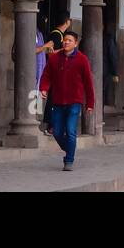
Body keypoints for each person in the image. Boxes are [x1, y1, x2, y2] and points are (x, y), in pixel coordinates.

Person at [39, 30, 95, 170]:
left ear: (75, 43)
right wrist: (44, 88)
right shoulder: (54, 58)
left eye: (69, 40)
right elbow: (46, 75)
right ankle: (70, 148)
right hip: (58, 101)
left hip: (74, 102)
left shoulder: (82, 59)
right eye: (65, 40)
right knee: (56, 132)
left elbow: (88, 82)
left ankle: (69, 160)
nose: (66, 42)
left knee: (70, 131)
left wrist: (90, 102)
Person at [102, 27, 119, 108]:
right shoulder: (109, 39)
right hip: (104, 70)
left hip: (89, 69)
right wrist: (115, 73)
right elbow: (113, 56)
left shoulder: (85, 37)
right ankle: (98, 115)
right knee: (101, 92)